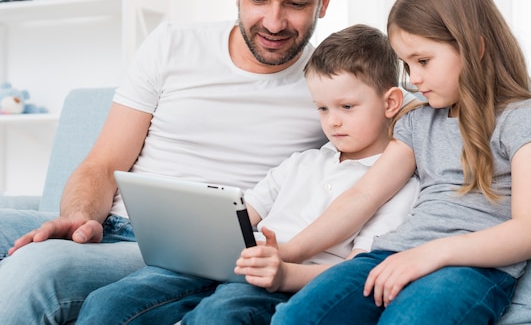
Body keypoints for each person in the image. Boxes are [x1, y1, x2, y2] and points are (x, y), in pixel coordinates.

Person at [0, 0, 335, 324]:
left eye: (296, 3)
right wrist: (81, 217)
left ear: (324, 0)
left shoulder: (334, 85)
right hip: (110, 226)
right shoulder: (173, 44)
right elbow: (104, 163)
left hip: (186, 261)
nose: (273, 21)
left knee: (34, 271)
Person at [271, 0, 531, 325]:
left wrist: (432, 255)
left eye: (423, 61)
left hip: (469, 269)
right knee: (297, 318)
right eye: (406, 65)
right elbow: (362, 197)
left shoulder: (523, 117)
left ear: (474, 47)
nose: (413, 79)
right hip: (390, 255)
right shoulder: (417, 122)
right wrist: (287, 252)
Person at [76, 24, 419, 324]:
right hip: (239, 264)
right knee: (107, 303)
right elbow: (241, 215)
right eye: (322, 108)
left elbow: (356, 273)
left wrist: (285, 274)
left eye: (346, 107)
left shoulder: (399, 186)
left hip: (293, 282)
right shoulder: (303, 163)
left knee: (220, 314)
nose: (333, 121)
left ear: (390, 103)